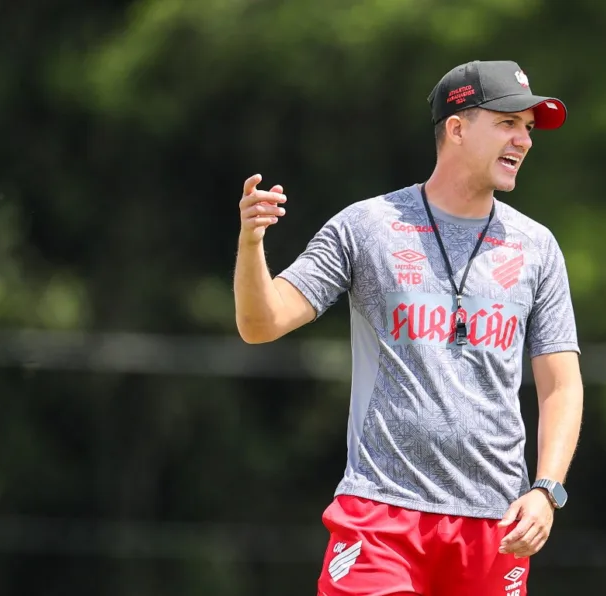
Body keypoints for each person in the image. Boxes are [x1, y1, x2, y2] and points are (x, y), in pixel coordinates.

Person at [233, 60, 585, 596]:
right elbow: (263, 323)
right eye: (509, 123)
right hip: (380, 515)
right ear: (458, 127)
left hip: (496, 526)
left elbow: (562, 385)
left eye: (529, 129)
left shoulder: (537, 247)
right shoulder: (367, 226)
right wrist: (252, 243)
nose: (524, 141)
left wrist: (547, 490)